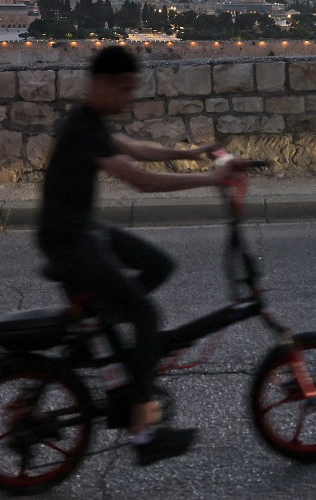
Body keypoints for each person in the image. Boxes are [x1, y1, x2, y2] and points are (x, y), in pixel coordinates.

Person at [36, 45, 233, 466]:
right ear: (102, 84)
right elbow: (138, 179)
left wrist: (190, 153)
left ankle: (107, 335)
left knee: (160, 265)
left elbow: (134, 149)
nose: (129, 100)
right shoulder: (83, 125)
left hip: (82, 231)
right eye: (124, 90)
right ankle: (143, 433)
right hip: (68, 241)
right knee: (145, 316)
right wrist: (207, 180)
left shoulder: (90, 122)